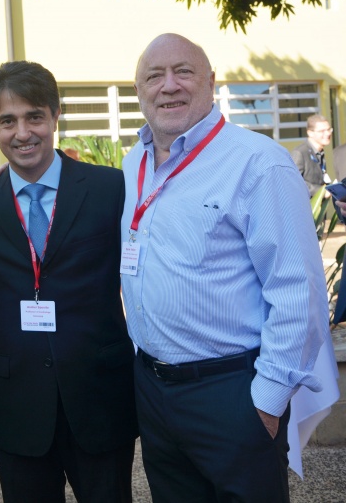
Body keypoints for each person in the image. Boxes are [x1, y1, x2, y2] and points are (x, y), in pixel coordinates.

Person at [122, 33, 329, 502]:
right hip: (153, 390)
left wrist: (267, 401)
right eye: (154, 76)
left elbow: (298, 289)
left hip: (231, 392)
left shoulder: (258, 163)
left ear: (211, 82)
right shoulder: (133, 161)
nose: (168, 85)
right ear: (139, 90)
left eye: (184, 71)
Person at [0, 61, 137, 502]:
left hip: (100, 396)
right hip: (18, 402)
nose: (23, 133)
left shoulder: (111, 189)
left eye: (34, 116)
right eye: (8, 121)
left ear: (56, 115)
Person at [291, 114, 333, 197]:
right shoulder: (300, 152)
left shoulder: (319, 152)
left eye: (329, 130)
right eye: (322, 131)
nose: (327, 133)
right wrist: (321, 191)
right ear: (310, 133)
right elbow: (293, 181)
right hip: (304, 206)